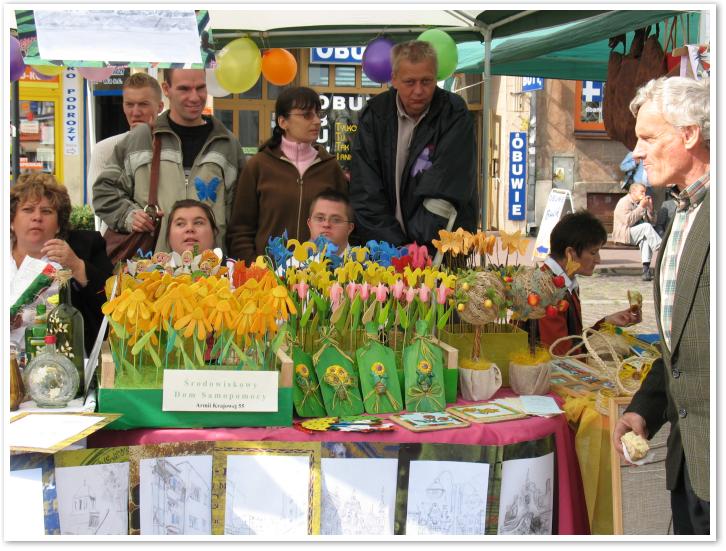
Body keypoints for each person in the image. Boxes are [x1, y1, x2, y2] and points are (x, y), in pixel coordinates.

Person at [613, 76, 710, 535]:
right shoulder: (680, 211)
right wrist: (645, 409)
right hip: (688, 468)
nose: (636, 151)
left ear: (689, 134)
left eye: (649, 138)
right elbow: (681, 343)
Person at [93, 68, 245, 254]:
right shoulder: (141, 139)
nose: (194, 97)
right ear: (166, 89)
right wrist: (129, 216)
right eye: (184, 89)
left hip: (210, 273)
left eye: (200, 88)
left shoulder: (227, 144)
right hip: (151, 272)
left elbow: (241, 215)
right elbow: (104, 192)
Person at [350, 40, 477, 249]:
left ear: (436, 78)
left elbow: (445, 187)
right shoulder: (374, 115)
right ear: (394, 80)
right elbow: (366, 191)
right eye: (410, 82)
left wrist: (419, 247)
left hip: (440, 248)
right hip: (386, 250)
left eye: (426, 81)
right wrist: (394, 246)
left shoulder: (454, 113)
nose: (419, 91)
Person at [226, 86, 347, 263]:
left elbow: (345, 224)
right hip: (266, 280)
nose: (316, 121)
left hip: (319, 277)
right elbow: (240, 230)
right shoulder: (258, 166)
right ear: (283, 122)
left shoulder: (330, 168)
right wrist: (256, 269)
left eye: (317, 114)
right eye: (306, 115)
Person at [10, 172, 113, 356]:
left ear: (59, 225)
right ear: (11, 221)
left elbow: (112, 305)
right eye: (28, 210)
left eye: (47, 211)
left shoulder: (85, 248)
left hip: (63, 365)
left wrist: (78, 266)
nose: (37, 217)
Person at [537, 210, 640, 356]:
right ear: (570, 253)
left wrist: (607, 322)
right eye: (593, 253)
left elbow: (573, 340)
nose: (598, 260)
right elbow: (561, 354)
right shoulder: (548, 289)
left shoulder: (566, 281)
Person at [87, 73, 165, 203]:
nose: (135, 112)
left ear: (160, 107)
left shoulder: (172, 146)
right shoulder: (105, 149)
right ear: (123, 106)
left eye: (143, 104)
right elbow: (98, 202)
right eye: (129, 104)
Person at [612, 182, 662, 281]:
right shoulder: (624, 202)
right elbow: (628, 221)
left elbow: (653, 222)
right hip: (624, 234)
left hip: (636, 234)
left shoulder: (640, 203)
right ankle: (661, 248)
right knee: (646, 227)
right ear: (633, 191)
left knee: (646, 239)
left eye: (645, 192)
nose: (644, 194)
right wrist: (641, 207)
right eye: (642, 192)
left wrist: (650, 209)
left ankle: (646, 270)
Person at [307, 189, 354, 255]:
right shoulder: (292, 264)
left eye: (336, 220)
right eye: (320, 218)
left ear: (349, 228)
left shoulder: (366, 264)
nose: (326, 224)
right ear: (310, 224)